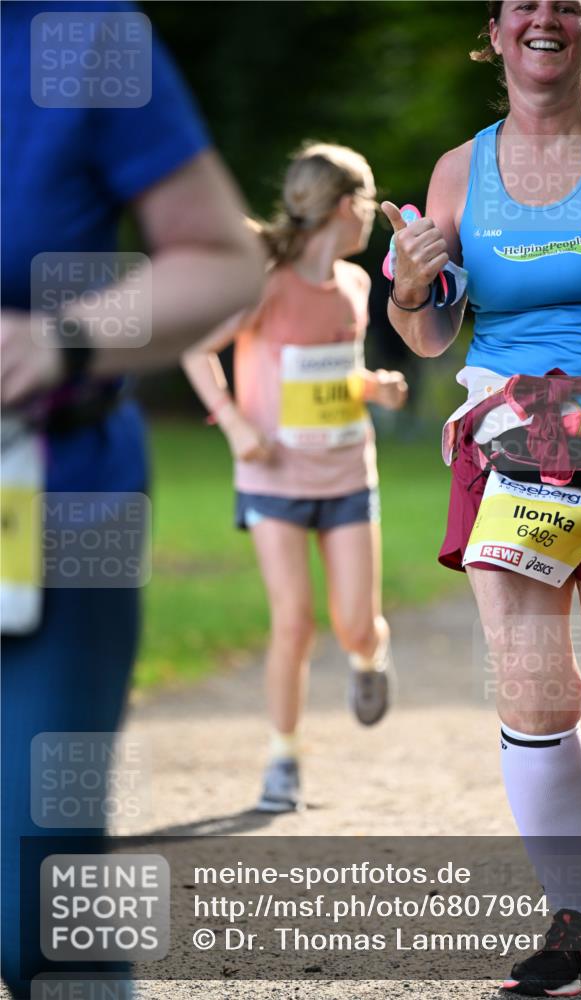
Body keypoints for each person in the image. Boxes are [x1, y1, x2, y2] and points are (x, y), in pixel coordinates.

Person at [382, 1, 581, 996]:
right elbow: (428, 330)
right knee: (536, 690)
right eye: (523, 4)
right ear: (496, 33)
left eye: (568, 3)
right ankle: (576, 922)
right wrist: (411, 289)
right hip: (510, 438)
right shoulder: (460, 170)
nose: (545, 16)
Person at [1, 2, 264, 996]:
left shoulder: (81, 34)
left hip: (54, 497)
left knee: (35, 903)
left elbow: (224, 261)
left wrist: (52, 339)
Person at [183, 142, 408, 813]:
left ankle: (370, 659)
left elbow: (334, 374)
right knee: (293, 622)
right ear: (347, 207)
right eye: (366, 204)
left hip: (345, 476)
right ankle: (282, 761)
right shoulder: (266, 283)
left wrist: (377, 388)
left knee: (355, 626)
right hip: (272, 479)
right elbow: (197, 347)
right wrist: (233, 424)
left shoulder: (357, 285)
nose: (367, 217)